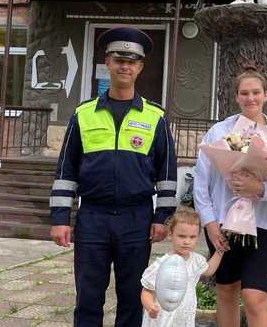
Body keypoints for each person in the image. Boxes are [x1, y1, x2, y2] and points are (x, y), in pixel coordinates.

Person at [49, 27, 178, 327]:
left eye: (132, 61)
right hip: (92, 217)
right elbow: (65, 172)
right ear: (107, 62)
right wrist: (59, 218)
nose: (125, 66)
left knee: (133, 296)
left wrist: (163, 217)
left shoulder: (155, 117)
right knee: (88, 296)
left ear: (140, 67)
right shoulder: (83, 115)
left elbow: (167, 175)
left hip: (137, 219)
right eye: (119, 59)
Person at [193, 69, 267, 327]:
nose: (251, 98)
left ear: (266, 95)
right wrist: (210, 223)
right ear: (237, 97)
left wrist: (258, 188)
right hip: (222, 225)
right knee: (226, 291)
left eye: (256, 92)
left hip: (262, 225)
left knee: (254, 297)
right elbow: (201, 181)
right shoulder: (219, 131)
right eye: (244, 93)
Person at [140, 208, 224, 327]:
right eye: (181, 236)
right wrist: (150, 306)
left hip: (183, 317)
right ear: (170, 234)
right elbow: (146, 291)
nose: (187, 241)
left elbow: (209, 270)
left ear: (198, 237)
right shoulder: (161, 264)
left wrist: (220, 252)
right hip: (162, 318)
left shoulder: (196, 260)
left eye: (192, 237)